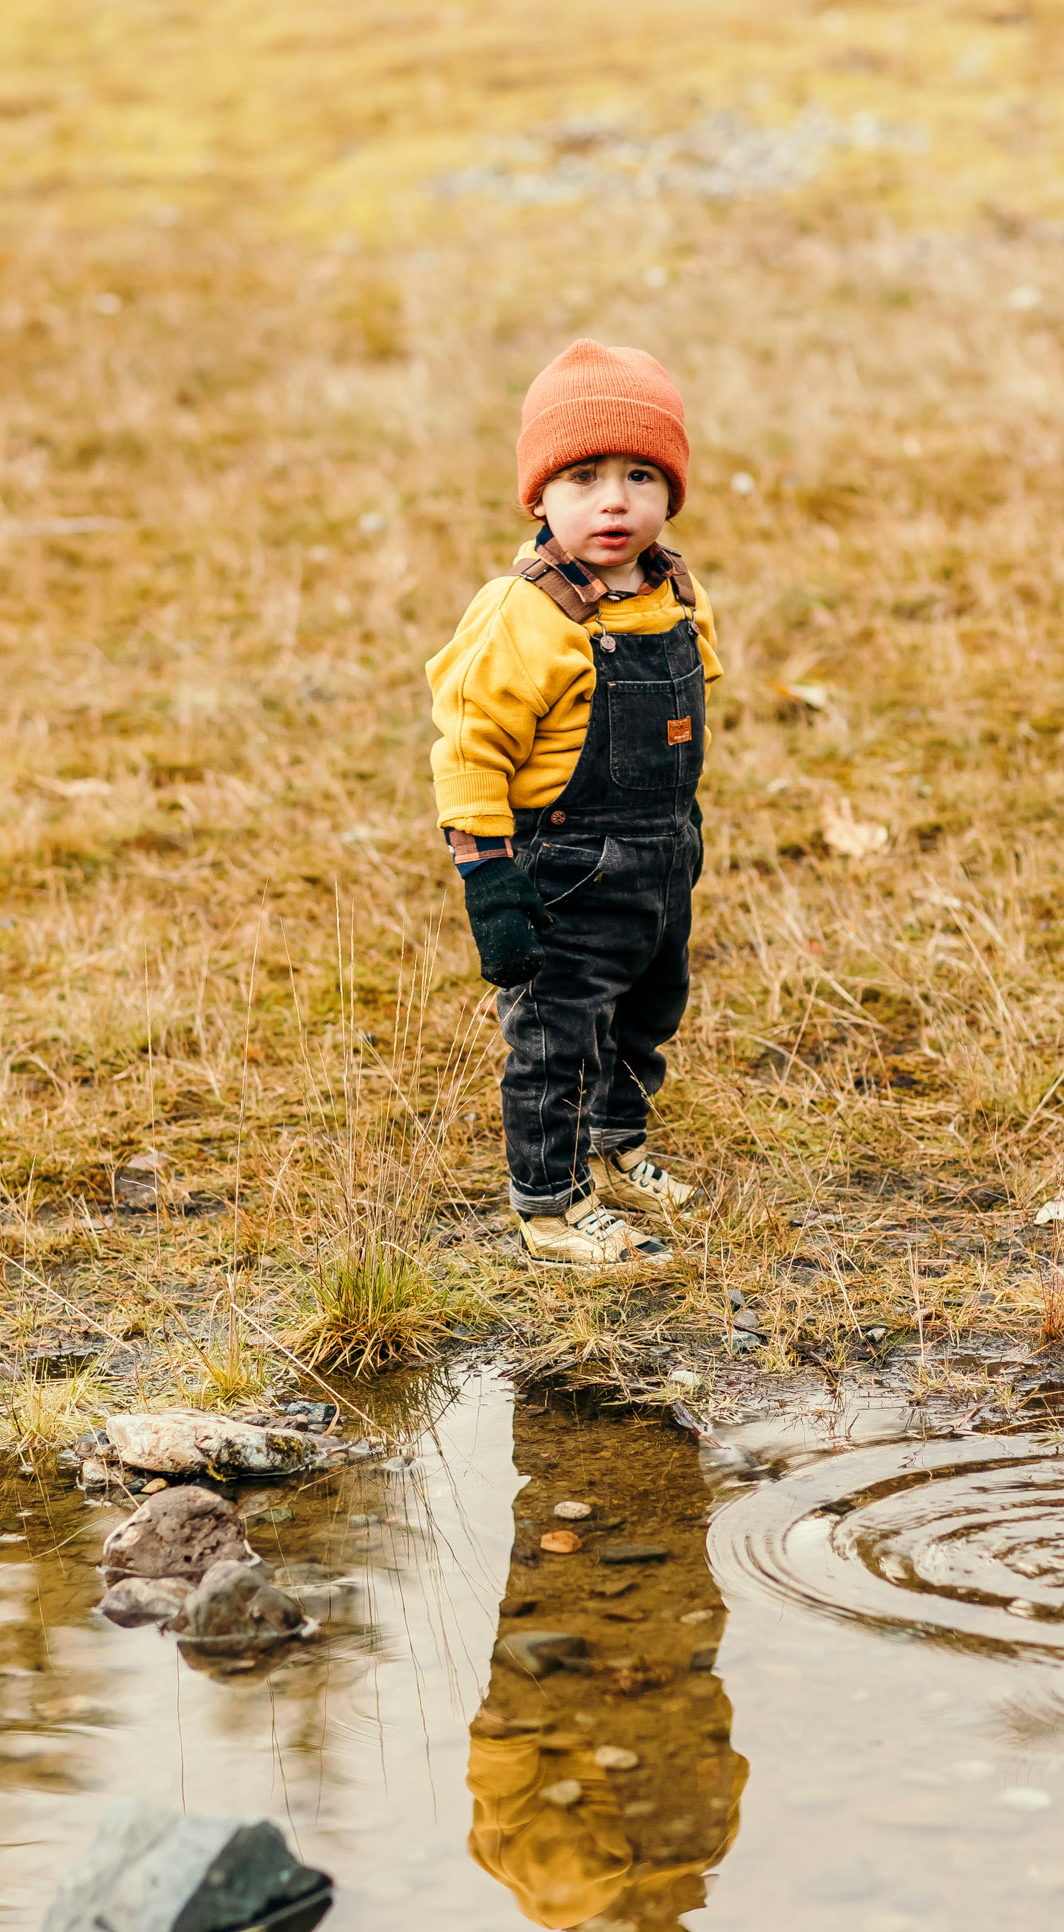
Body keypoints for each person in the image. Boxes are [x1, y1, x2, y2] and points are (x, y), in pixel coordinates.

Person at [427, 339, 723, 1272]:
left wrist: (681, 843)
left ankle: (618, 1144)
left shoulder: (673, 592)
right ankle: (550, 1204)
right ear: (539, 496)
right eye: (584, 476)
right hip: (563, 868)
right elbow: (470, 746)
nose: (614, 501)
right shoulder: (524, 613)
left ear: (670, 494)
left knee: (645, 1012)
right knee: (558, 1038)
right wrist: (488, 880)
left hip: (663, 857)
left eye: (641, 476)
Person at [466, 1396, 745, 1932]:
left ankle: (557, 1396)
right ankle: (645, 1404)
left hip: (559, 1662)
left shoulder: (556, 1893)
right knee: (671, 1503)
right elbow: (719, 1745)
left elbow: (498, 1785)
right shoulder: (702, 1856)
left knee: (565, 1505)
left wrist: (511, 1705)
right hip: (669, 1649)